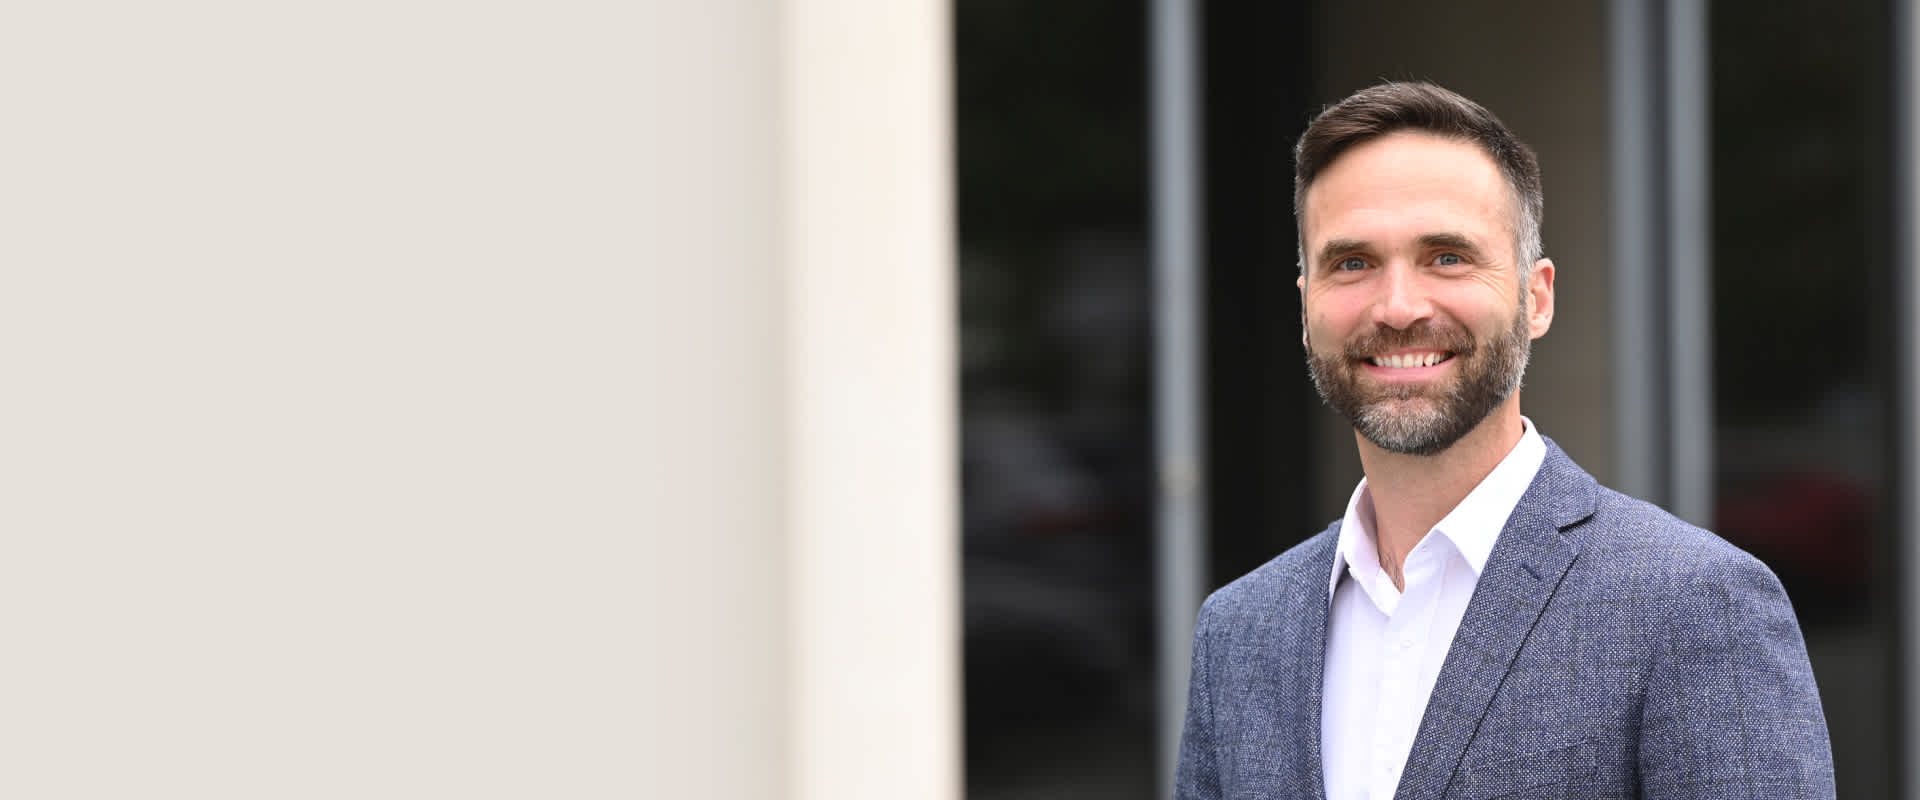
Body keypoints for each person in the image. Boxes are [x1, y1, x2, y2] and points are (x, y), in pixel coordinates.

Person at [1172, 82, 1834, 799]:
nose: (1398, 308)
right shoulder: (1237, 633)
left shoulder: (1693, 606)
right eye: (1353, 263)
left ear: (1536, 297)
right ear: (1306, 308)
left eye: (1447, 256)